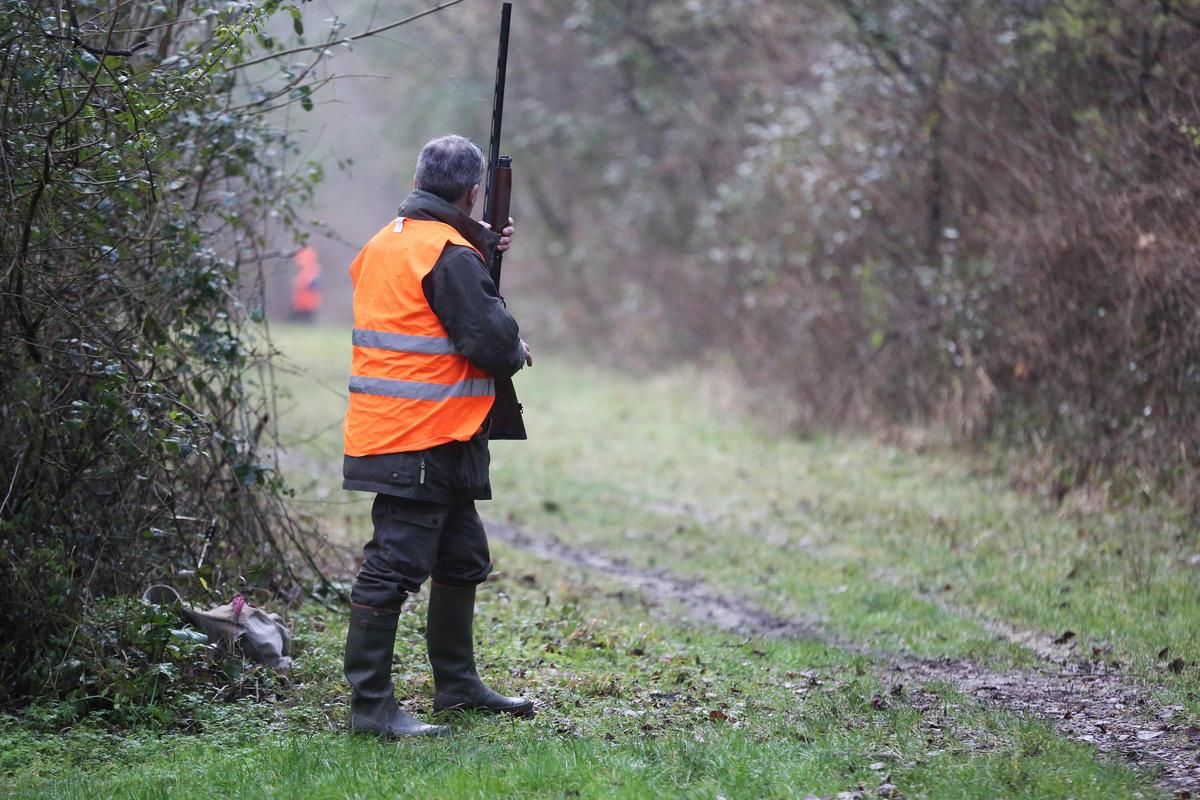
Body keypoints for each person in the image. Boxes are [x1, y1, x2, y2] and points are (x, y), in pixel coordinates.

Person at [340, 135, 534, 737]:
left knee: (461, 557)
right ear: (471, 191)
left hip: (427, 435)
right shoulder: (446, 255)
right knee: (392, 568)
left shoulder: (388, 241)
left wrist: (473, 239)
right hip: (418, 438)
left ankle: (457, 687)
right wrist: (515, 341)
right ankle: (371, 710)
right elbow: (494, 344)